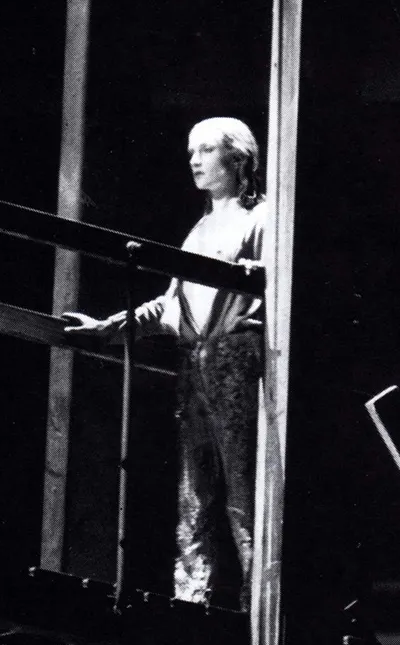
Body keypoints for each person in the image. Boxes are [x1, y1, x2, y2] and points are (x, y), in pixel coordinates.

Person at [63, 117, 266, 610]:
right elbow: (170, 306)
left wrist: (258, 282)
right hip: (195, 372)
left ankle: (259, 618)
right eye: (191, 151)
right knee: (193, 503)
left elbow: (279, 288)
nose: (194, 160)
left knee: (246, 502)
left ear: (236, 158)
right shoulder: (199, 229)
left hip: (237, 369)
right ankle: (192, 611)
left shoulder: (264, 220)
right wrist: (111, 327)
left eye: (205, 150)